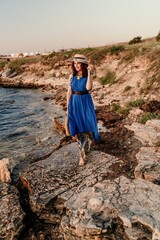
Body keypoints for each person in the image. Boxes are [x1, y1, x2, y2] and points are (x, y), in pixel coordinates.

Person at [66, 54, 99, 166]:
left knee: (88, 126)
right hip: (74, 103)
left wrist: (89, 72)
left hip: (85, 102)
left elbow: (89, 88)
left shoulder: (88, 75)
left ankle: (88, 145)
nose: (76, 66)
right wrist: (68, 106)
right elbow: (69, 92)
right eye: (74, 63)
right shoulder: (72, 76)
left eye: (78, 63)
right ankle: (81, 155)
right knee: (78, 129)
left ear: (83, 65)